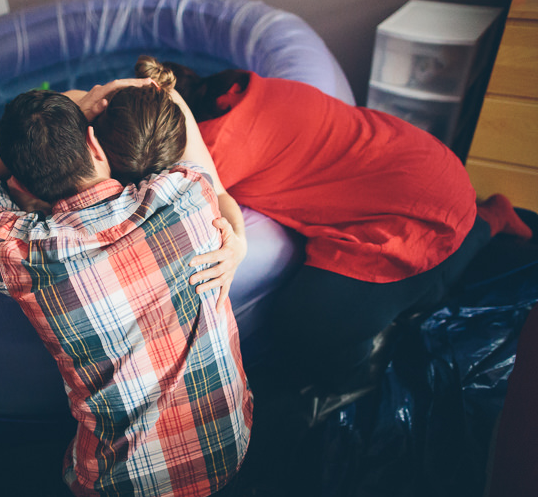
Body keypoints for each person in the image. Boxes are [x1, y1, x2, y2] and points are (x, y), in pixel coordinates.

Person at [101, 55, 534, 400]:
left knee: (306, 321)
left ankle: (353, 381)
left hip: (413, 212)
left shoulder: (215, 148)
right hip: (429, 164)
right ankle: (485, 219)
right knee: (427, 261)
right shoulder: (240, 88)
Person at [0, 79, 253, 497]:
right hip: (230, 446)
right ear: (94, 145)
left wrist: (65, 115)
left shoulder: (17, 251)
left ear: (24, 188)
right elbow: (173, 109)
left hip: (125, 486)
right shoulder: (188, 194)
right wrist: (91, 101)